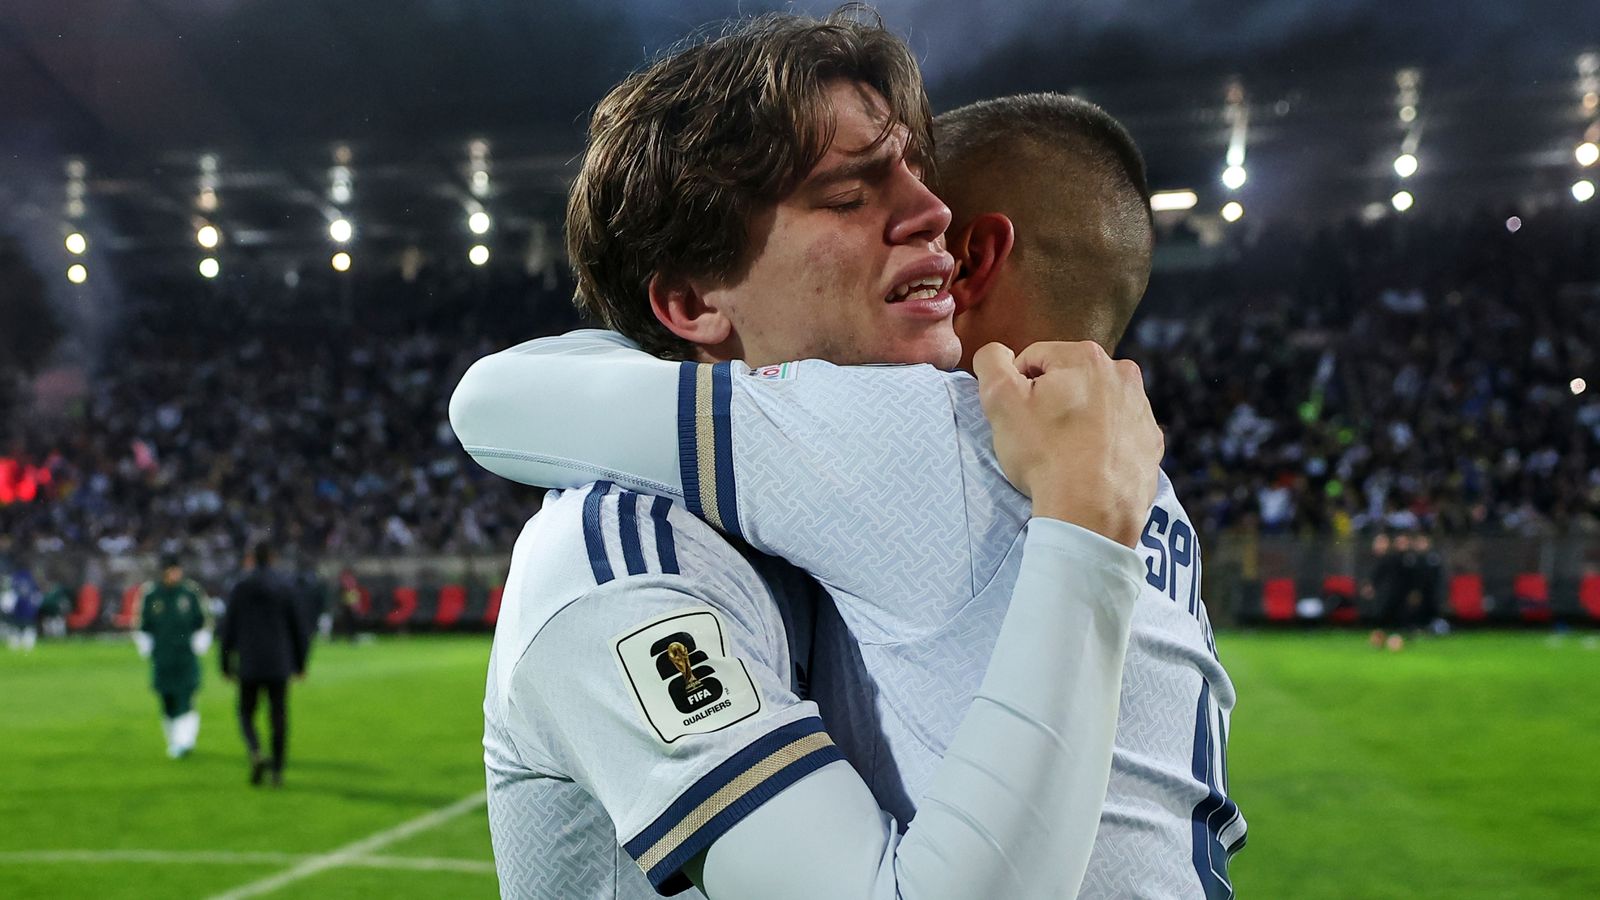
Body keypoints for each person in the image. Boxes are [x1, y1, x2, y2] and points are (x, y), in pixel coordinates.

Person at [453, 84, 1247, 898]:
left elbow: (493, 401)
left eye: (926, 187)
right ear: (692, 300)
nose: (926, 216)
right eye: (846, 197)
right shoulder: (1130, 471)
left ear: (969, 261)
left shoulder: (940, 437)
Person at [219, 542, 308, 787]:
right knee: (278, 715)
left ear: (251, 558)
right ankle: (277, 770)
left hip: (249, 661)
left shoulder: (240, 586)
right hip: (279, 661)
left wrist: (225, 664)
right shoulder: (286, 586)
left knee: (246, 712)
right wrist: (301, 663)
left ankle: (256, 750)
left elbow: (228, 629)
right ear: (272, 558)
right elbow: (299, 628)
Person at [134, 554, 209, 758]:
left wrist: (199, 645)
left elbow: (202, 622)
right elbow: (143, 626)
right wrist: (147, 649)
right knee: (166, 699)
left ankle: (185, 741)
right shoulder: (151, 594)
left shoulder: (190, 592)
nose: (175, 574)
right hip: (162, 657)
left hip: (185, 656)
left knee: (186, 696)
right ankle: (174, 740)